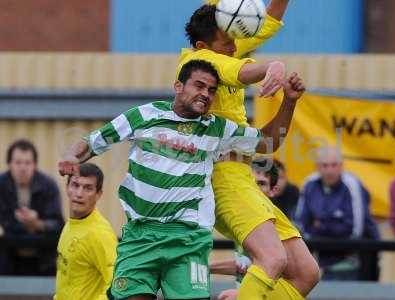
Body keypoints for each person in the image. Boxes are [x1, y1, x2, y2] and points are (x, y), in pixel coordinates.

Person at [59, 60, 306, 300]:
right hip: (141, 234)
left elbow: (268, 140)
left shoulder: (216, 129)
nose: (206, 94)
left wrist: (290, 103)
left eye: (211, 90)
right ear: (179, 86)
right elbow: (94, 141)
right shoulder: (145, 116)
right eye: (199, 86)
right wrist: (71, 156)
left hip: (188, 239)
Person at [178, 3, 320, 300]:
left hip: (243, 176)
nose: (234, 47)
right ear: (204, 45)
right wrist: (272, 66)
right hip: (221, 179)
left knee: (306, 273)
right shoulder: (198, 63)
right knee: (273, 260)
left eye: (234, 40)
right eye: (227, 42)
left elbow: (267, 146)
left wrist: (289, 101)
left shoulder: (224, 51)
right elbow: (239, 70)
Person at [296, 146, 380, 280]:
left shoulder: (352, 185)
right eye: (324, 165)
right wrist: (332, 224)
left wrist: (320, 225)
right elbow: (302, 225)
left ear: (341, 166)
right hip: (318, 262)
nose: (329, 170)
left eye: (334, 165)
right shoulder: (309, 184)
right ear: (317, 167)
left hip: (354, 262)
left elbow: (354, 230)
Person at [211, 157, 279, 300]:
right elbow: (245, 266)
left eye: (261, 184)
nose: (254, 189)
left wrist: (241, 294)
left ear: (273, 190)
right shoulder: (241, 220)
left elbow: (283, 275)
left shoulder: (276, 227)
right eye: (250, 183)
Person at [0, 139, 64, 275]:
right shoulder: (1, 185)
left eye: (27, 162)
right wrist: (18, 222)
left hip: (43, 258)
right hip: (7, 257)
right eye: (18, 162)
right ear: (10, 164)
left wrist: (37, 224)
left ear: (35, 165)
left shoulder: (48, 185)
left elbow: (59, 225)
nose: (22, 168)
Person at [54, 163, 117, 300]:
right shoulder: (70, 225)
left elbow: (117, 284)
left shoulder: (100, 233)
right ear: (67, 188)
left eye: (88, 188)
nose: (79, 193)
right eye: (75, 185)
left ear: (98, 194)